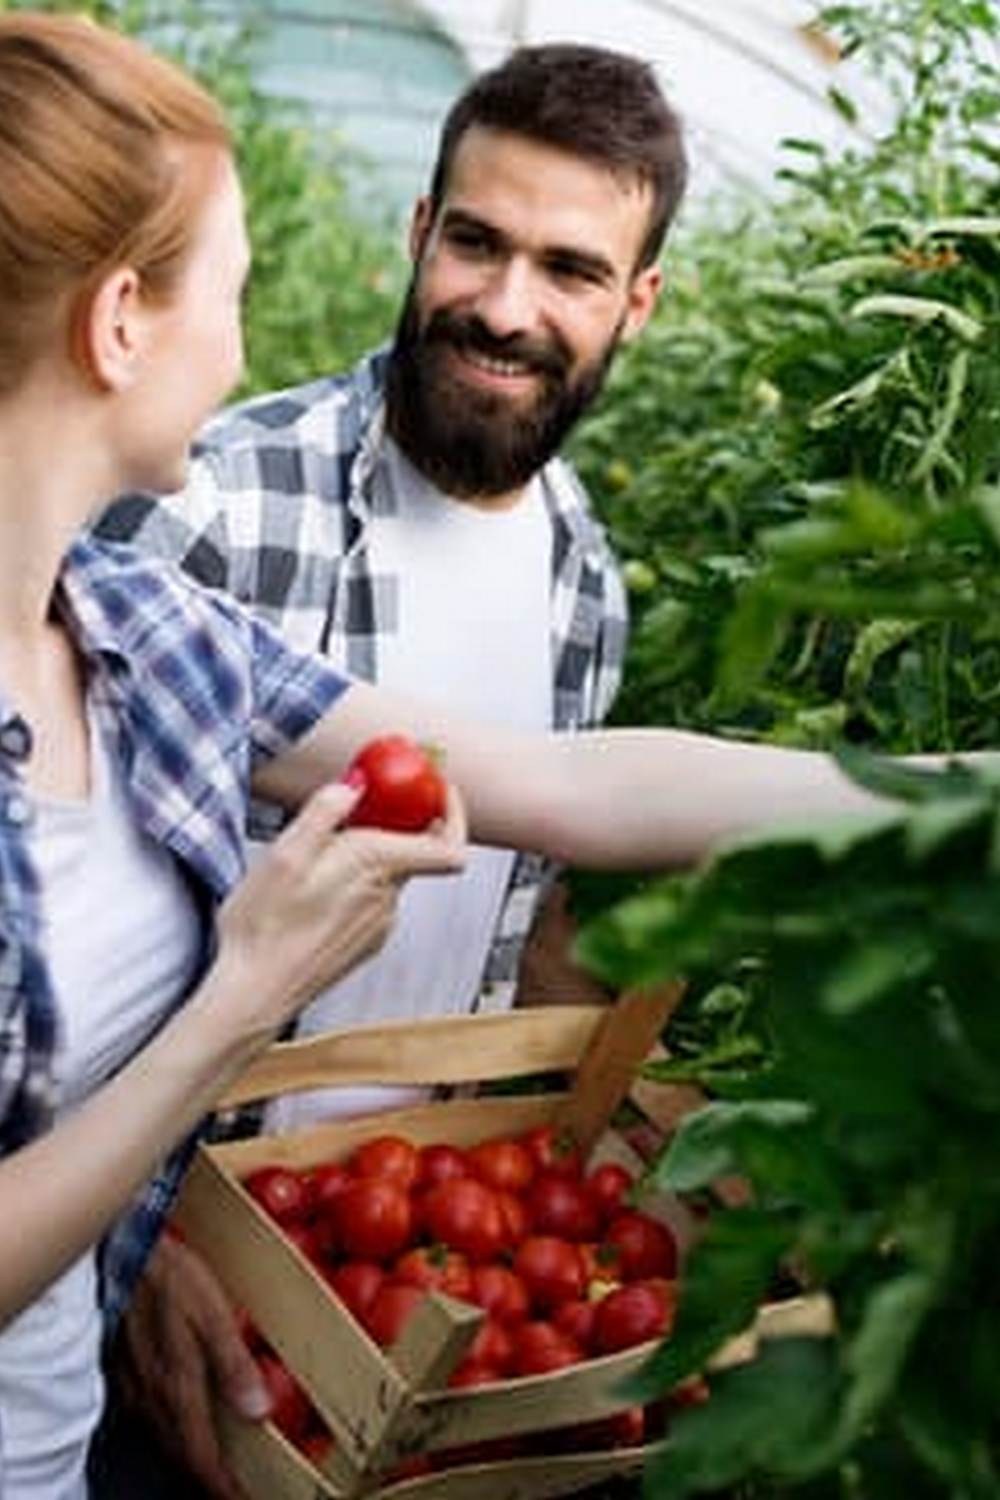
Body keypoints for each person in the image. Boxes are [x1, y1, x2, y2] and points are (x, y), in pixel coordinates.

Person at [3, 18, 910, 1499]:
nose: (503, 305)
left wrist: (935, 793)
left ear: (640, 304)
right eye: (475, 242)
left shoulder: (568, 592)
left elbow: (563, 825)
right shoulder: (206, 517)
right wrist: (158, 1211)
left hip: (404, 1235)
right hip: (199, 1248)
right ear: (418, 232)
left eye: (568, 270)